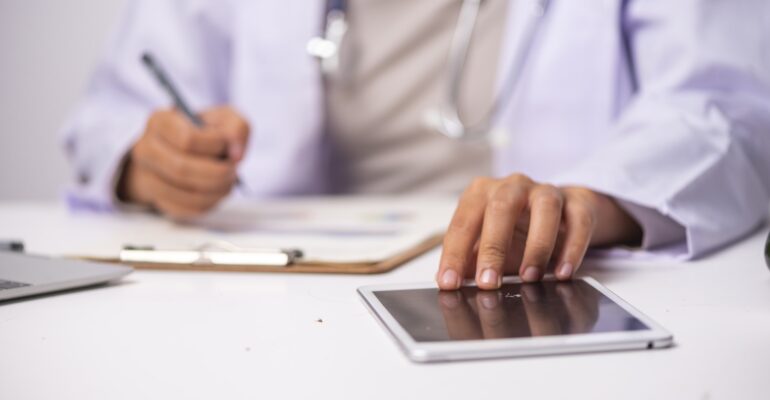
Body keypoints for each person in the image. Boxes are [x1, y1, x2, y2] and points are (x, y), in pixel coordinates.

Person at [61, 0, 770, 290]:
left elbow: (724, 107)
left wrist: (591, 199)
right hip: (288, 289)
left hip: (520, 288)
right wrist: (145, 161)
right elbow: (110, 114)